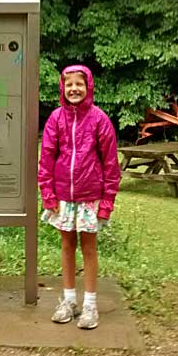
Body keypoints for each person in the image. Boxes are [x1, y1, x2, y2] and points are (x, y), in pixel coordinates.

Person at [38, 64, 121, 329]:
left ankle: (90, 305)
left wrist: (107, 202)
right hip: (63, 197)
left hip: (90, 198)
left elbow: (110, 164)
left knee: (89, 249)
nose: (74, 88)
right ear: (63, 87)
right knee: (66, 246)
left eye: (79, 84)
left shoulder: (99, 119)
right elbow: (47, 158)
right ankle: (69, 300)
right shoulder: (56, 119)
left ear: (88, 87)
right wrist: (48, 193)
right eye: (69, 84)